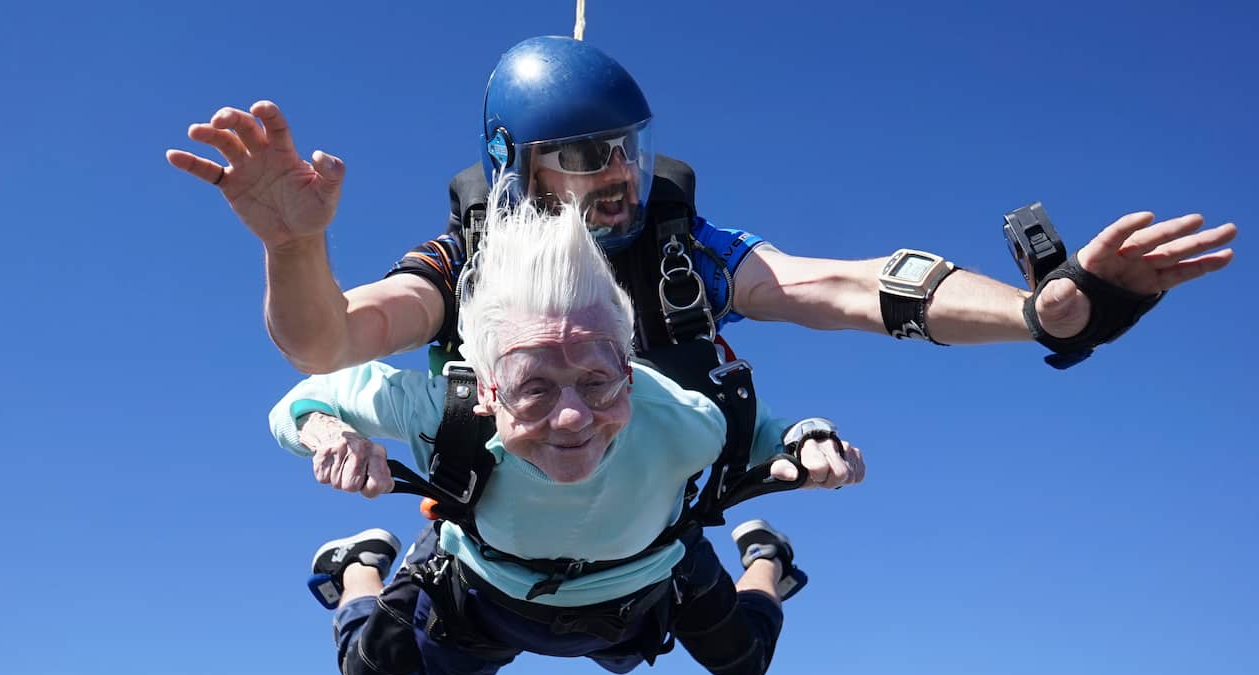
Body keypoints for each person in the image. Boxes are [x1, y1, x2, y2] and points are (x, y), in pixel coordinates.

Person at [167, 35, 1235, 392]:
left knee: (717, 647)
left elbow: (855, 287)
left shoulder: (683, 249)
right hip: (500, 521)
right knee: (437, 654)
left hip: (647, 531)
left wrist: (1043, 314)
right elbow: (327, 343)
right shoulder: (467, 254)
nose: (616, 178)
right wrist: (297, 249)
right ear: (514, 170)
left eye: (624, 150)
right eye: (582, 157)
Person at [268, 186, 864, 675]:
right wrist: (331, 434)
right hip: (486, 592)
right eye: (534, 388)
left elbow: (760, 428)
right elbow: (301, 401)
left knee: (746, 663)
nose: (574, 417)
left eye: (598, 380)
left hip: (645, 583)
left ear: (629, 374)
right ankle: (360, 564)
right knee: (373, 674)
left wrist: (810, 438)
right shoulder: (442, 411)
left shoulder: (683, 416)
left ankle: (767, 560)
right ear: (486, 392)